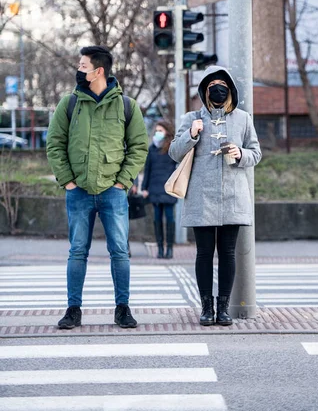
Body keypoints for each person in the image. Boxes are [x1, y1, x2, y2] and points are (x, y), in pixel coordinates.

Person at [46, 45, 148, 330]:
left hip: (112, 192)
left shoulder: (126, 105)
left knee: (120, 251)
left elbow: (139, 147)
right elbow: (54, 144)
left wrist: (122, 182)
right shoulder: (69, 103)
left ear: (98, 70)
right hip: (77, 191)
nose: (78, 70)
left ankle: (122, 308)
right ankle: (73, 309)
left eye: (82, 65)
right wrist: (67, 180)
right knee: (77, 251)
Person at [169, 66, 262, 326]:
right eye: (212, 85)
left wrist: (240, 153)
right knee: (204, 253)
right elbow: (174, 153)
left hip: (232, 195)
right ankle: (206, 308)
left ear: (230, 89)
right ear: (205, 90)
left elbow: (256, 153)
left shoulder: (243, 118)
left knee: (228, 253)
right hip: (201, 195)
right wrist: (191, 134)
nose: (217, 88)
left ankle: (223, 309)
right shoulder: (192, 118)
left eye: (222, 84)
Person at [141, 120, 177, 259]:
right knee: (156, 220)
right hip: (155, 189)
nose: (157, 133)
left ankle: (170, 249)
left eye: (160, 130)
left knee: (169, 219)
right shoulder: (152, 149)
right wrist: (144, 187)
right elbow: (147, 169)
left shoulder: (172, 147)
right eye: (156, 131)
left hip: (168, 189)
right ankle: (160, 248)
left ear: (167, 132)